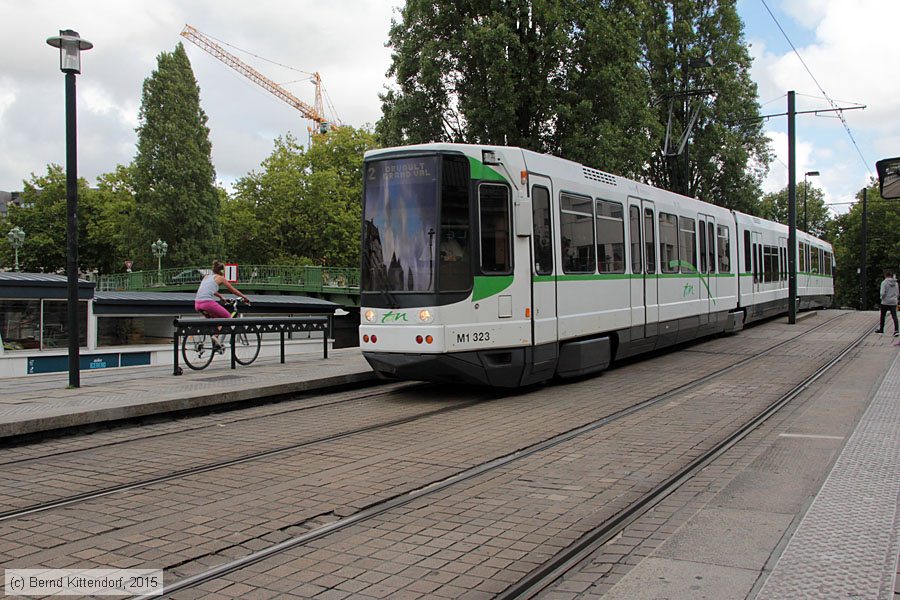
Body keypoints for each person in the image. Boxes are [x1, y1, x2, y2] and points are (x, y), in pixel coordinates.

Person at [195, 260, 251, 349]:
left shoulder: (206, 277)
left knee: (215, 321)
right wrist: (244, 297)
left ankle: (207, 342)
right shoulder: (220, 278)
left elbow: (207, 290)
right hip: (207, 303)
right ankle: (215, 337)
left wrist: (221, 296)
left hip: (197, 304)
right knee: (228, 318)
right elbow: (233, 290)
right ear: (222, 271)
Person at [875, 268, 899, 337]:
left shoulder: (884, 282)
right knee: (894, 316)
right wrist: (896, 299)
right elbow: (897, 293)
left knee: (883, 315)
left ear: (885, 275)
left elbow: (882, 293)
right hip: (893, 301)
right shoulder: (896, 283)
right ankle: (896, 330)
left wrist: (881, 298)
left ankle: (881, 329)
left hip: (885, 301)